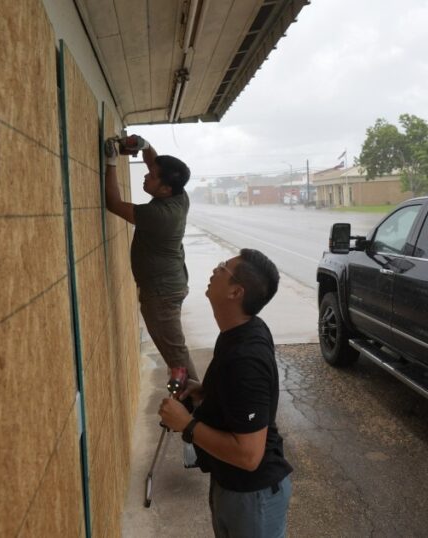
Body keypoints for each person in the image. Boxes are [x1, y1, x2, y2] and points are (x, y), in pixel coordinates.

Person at [159, 248, 293, 538]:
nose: (214, 269)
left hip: (252, 496)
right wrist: (203, 393)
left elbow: (249, 456)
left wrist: (187, 424)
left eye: (223, 268)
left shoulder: (246, 359)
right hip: (231, 485)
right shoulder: (238, 331)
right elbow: (234, 397)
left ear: (236, 292)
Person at [103, 135, 198, 381]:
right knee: (176, 356)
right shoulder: (179, 195)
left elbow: (113, 204)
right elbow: (154, 162)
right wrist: (144, 146)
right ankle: (191, 402)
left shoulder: (159, 214)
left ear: (165, 188)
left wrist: (111, 162)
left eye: (152, 176)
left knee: (177, 359)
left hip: (161, 296)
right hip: (168, 288)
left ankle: (195, 405)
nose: (146, 175)